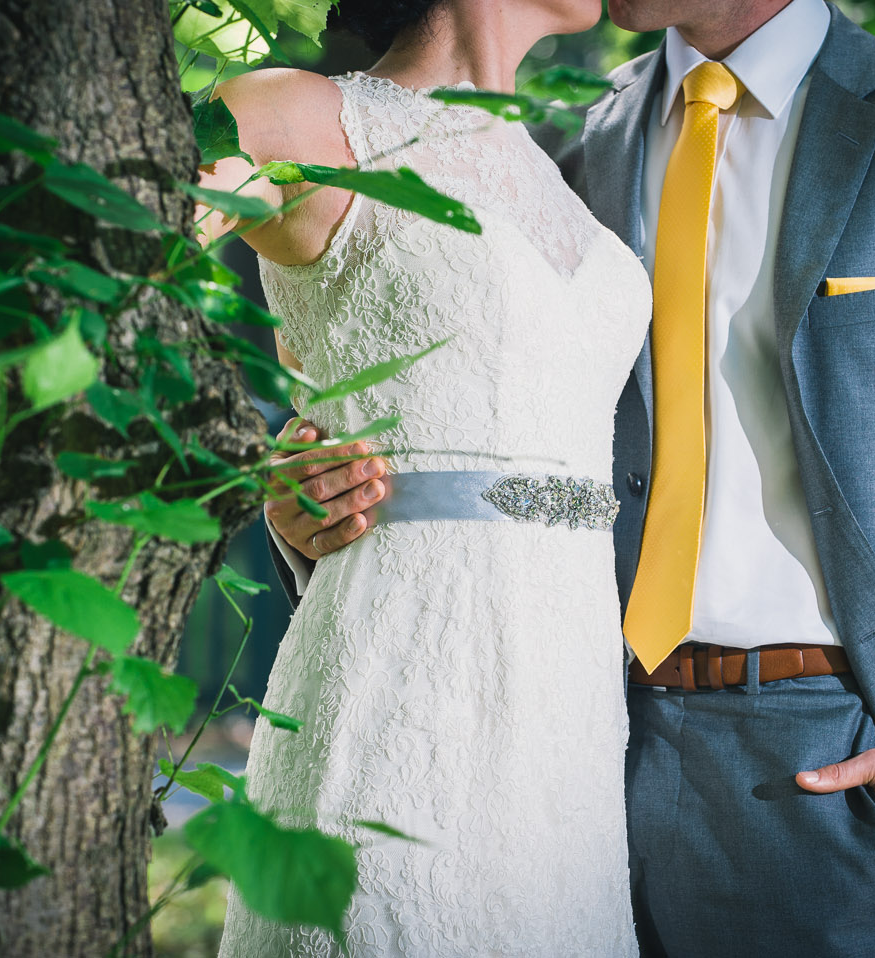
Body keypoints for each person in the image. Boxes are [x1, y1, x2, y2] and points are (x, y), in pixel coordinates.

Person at [267, 0, 875, 954]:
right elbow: (527, 457)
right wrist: (342, 496)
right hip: (557, 749)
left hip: (826, 775)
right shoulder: (550, 145)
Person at [198, 1, 649, 954]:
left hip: (568, 710)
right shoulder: (297, 115)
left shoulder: (560, 172)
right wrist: (255, 457)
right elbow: (104, 271)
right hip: (399, 667)